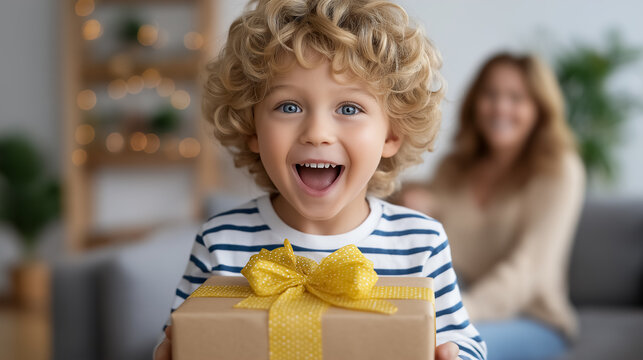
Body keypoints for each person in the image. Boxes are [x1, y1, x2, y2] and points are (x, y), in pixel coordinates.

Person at [154, 0, 487, 359]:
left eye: (349, 109)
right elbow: (184, 338)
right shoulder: (221, 241)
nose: (317, 133)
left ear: (392, 135)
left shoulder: (420, 243)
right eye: (289, 107)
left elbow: (467, 345)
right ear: (252, 128)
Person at [398, 53, 585, 360]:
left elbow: (527, 272)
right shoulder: (454, 167)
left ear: (539, 109)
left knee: (448, 351)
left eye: (516, 97)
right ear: (475, 103)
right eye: (491, 94)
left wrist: (457, 313)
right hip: (458, 309)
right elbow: (399, 193)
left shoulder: (559, 170)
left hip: (533, 319)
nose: (500, 107)